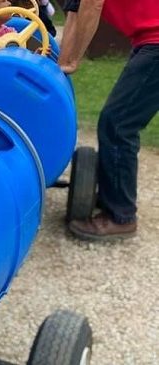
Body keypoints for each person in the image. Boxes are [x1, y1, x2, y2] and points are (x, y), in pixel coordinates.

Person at [59, 0, 159, 240]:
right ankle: (110, 199)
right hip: (147, 40)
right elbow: (75, 13)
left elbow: (92, 4)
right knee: (116, 122)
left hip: (155, 42)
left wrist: (73, 60)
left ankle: (120, 216)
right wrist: (60, 63)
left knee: (118, 124)